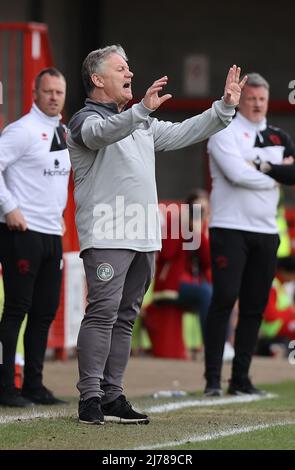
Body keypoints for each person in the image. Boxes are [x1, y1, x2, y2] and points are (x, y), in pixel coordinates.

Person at [67, 44, 246, 425]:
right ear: (98, 79)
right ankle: (90, 398)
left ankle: (113, 395)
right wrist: (141, 111)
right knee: (102, 313)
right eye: (120, 68)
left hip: (144, 237)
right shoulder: (84, 120)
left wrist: (224, 108)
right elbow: (102, 134)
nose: (129, 72)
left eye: (128, 65)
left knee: (125, 317)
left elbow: (183, 132)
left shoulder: (140, 122)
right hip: (107, 235)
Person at [204, 73, 295, 397]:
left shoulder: (279, 136)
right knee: (225, 299)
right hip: (229, 228)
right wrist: (272, 173)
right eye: (250, 99)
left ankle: (240, 378)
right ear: (240, 100)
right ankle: (213, 378)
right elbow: (236, 174)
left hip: (266, 231)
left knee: (255, 306)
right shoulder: (223, 131)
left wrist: (260, 166)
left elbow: (293, 174)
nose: (256, 104)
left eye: (261, 99)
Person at [0, 68, 71, 407]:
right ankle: (5, 387)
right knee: (17, 308)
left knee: (44, 312)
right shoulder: (22, 131)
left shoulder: (64, 132)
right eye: (48, 91)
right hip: (22, 231)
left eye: (59, 92)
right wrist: (9, 207)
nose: (54, 97)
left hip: (51, 234)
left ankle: (34, 385)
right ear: (34, 92)